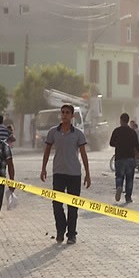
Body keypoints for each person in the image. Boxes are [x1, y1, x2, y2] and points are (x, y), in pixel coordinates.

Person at [40, 104, 91, 245]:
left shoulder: (78, 134)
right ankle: (60, 230)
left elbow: (83, 153)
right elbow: (47, 150)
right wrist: (43, 168)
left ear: (72, 116)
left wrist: (87, 173)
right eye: (62, 112)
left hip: (74, 173)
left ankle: (71, 234)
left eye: (67, 112)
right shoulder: (53, 132)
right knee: (57, 204)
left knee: (73, 206)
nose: (64, 115)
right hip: (58, 173)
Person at [111, 114, 139, 203]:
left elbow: (111, 143)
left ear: (121, 120)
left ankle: (119, 186)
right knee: (129, 178)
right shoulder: (132, 132)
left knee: (119, 176)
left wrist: (119, 144)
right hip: (130, 158)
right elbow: (137, 145)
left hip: (119, 157)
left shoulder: (116, 131)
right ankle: (128, 197)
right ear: (128, 121)